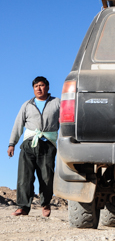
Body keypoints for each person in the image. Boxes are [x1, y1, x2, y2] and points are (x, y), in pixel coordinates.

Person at [7, 76, 60, 217]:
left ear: (47, 87)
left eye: (42, 85)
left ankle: (46, 204)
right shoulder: (27, 105)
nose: (39, 88)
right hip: (29, 144)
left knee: (47, 177)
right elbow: (18, 125)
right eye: (36, 86)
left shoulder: (57, 103)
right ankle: (23, 207)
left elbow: (66, 122)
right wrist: (12, 143)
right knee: (25, 177)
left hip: (48, 144)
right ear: (33, 89)